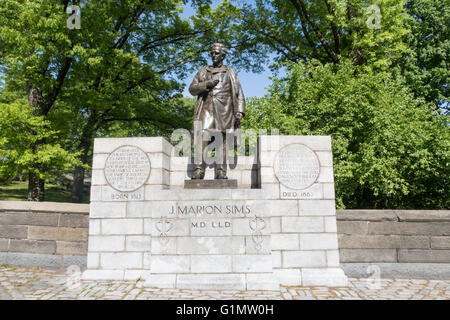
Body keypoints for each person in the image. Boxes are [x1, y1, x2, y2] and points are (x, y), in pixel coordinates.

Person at [189, 43, 245, 179]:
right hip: (206, 109)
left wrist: (240, 111)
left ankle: (221, 171)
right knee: (201, 136)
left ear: (223, 55)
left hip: (225, 110)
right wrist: (206, 85)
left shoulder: (231, 72)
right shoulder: (203, 71)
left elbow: (239, 92)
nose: (213, 55)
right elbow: (192, 89)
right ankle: (198, 169)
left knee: (222, 139)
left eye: (217, 53)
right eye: (212, 53)